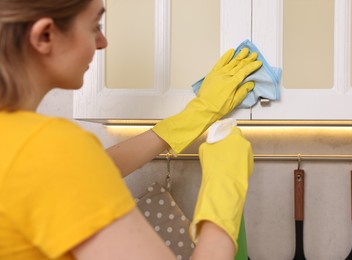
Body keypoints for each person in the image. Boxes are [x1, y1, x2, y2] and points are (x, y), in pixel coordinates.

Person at [0, 0, 261, 259]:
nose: (102, 42)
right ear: (45, 36)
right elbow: (71, 169)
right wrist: (224, 190)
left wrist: (198, 113)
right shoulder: (47, 146)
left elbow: (88, 171)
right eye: (95, 26)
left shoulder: (19, 142)